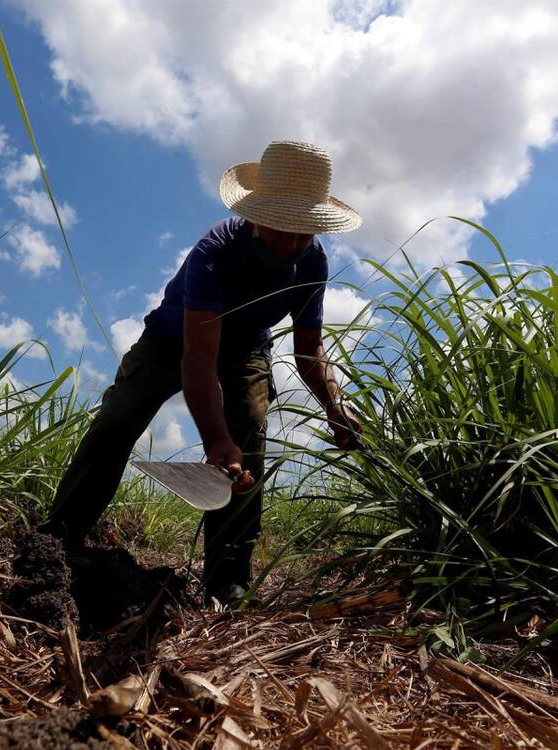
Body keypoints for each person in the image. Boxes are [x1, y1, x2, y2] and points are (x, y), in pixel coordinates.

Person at [43, 139, 363, 605]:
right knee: (119, 419)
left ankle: (227, 577)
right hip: (173, 339)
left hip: (247, 346)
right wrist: (215, 440)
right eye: (282, 228)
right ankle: (58, 540)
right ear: (257, 215)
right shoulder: (217, 250)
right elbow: (198, 358)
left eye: (304, 232)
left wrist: (335, 406)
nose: (292, 244)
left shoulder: (312, 261)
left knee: (248, 431)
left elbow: (309, 348)